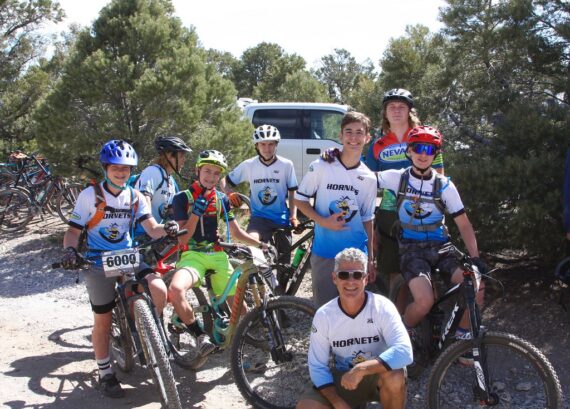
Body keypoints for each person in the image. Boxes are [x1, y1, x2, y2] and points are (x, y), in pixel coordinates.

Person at [60, 139, 179, 398]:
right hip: (97, 259)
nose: (121, 172)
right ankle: (105, 373)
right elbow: (73, 231)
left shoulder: (135, 196)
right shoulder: (89, 196)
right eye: (115, 167)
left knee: (159, 289)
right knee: (102, 320)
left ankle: (152, 333)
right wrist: (70, 251)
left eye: (126, 168)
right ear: (106, 168)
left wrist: (167, 228)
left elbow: (151, 228)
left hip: (128, 255)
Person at [376, 126, 486, 344]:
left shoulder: (444, 186)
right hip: (411, 249)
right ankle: (403, 333)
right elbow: (359, 176)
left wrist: (475, 258)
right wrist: (333, 158)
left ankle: (461, 339)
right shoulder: (397, 178)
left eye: (430, 149)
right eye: (418, 147)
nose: (423, 154)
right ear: (409, 150)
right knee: (424, 302)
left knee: (477, 286)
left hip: (441, 247)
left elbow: (464, 224)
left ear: (436, 153)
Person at [167, 149, 271, 363]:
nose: (211, 177)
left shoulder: (221, 199)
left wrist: (260, 244)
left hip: (216, 255)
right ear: (197, 170)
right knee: (176, 290)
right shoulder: (182, 198)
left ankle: (240, 355)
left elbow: (236, 232)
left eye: (216, 173)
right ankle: (200, 336)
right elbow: (182, 239)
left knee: (241, 310)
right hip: (192, 255)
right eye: (207, 171)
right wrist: (196, 213)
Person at [296, 247, 411, 409]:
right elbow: (317, 367)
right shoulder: (324, 315)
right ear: (334, 278)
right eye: (344, 275)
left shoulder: (382, 307)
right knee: (306, 407)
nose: (350, 281)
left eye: (357, 275)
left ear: (366, 278)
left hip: (377, 374)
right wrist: (338, 403)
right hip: (344, 378)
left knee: (395, 376)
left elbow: (405, 351)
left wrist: (361, 369)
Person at [364, 88, 444, 296]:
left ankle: (426, 312)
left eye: (402, 106)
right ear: (385, 113)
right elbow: (368, 185)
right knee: (395, 273)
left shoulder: (426, 137)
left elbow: (439, 176)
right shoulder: (377, 145)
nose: (397, 110)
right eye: (391, 107)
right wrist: (372, 224)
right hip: (390, 214)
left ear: (410, 111)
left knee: (426, 269)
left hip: (423, 213)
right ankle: (399, 315)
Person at [295, 111, 377, 307]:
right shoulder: (322, 165)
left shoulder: (369, 177)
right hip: (325, 251)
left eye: (359, 132)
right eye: (348, 132)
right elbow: (300, 199)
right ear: (340, 136)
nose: (353, 137)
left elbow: (367, 219)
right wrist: (323, 221)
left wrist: (371, 258)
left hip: (356, 254)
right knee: (324, 308)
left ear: (367, 138)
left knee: (354, 308)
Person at [222, 124, 299, 264]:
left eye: (271, 144)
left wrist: (293, 217)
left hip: (281, 217)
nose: (267, 149)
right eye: (263, 144)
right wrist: (229, 193)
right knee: (252, 247)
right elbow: (224, 180)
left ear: (276, 145)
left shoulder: (286, 164)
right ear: (256, 146)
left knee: (284, 264)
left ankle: (281, 278)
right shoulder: (249, 165)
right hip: (259, 218)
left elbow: (292, 192)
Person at [134, 135, 192, 233]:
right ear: (169, 156)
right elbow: (144, 200)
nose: (184, 160)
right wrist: (151, 229)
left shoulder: (171, 181)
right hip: (141, 233)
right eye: (181, 156)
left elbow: (172, 211)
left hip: (156, 233)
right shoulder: (153, 172)